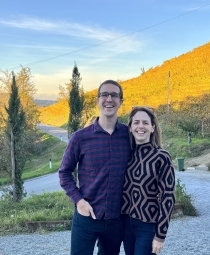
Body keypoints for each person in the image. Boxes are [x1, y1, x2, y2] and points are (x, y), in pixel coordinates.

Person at [59, 80, 131, 255]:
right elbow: (64, 172)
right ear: (98, 100)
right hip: (86, 216)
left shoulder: (129, 136)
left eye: (114, 95)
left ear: (121, 101)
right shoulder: (80, 138)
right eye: (104, 94)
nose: (109, 99)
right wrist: (79, 201)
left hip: (116, 219)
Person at [121, 106, 175, 255]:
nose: (140, 126)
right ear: (130, 128)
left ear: (152, 128)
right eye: (136, 122)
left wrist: (160, 235)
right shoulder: (127, 155)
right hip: (126, 224)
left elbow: (168, 196)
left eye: (145, 123)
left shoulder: (161, 157)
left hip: (147, 226)